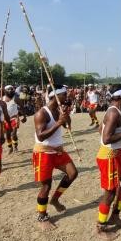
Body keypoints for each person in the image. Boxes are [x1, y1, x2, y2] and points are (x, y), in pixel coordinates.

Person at [94, 84, 121, 241]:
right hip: (109, 157)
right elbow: (105, 138)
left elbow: (101, 129)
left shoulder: (115, 111)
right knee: (110, 192)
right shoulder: (113, 113)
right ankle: (100, 226)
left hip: (117, 154)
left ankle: (115, 216)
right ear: (120, 97)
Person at [32, 84, 78, 230]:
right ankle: (42, 216)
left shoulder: (58, 110)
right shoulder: (42, 113)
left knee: (72, 173)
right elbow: (40, 136)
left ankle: (55, 199)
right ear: (56, 96)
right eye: (64, 94)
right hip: (43, 152)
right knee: (46, 185)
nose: (67, 96)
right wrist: (58, 122)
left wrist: (66, 116)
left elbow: (68, 126)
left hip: (57, 151)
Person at [2, 85, 21, 154]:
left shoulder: (16, 98)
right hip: (5, 119)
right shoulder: (2, 99)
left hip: (14, 118)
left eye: (11, 89)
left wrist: (24, 116)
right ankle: (10, 147)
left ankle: (15, 146)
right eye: (8, 89)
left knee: (13, 134)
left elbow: (21, 106)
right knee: (7, 135)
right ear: (5, 91)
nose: (10, 90)